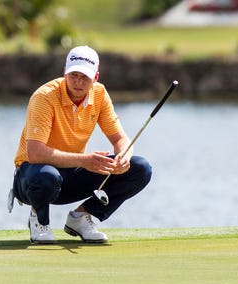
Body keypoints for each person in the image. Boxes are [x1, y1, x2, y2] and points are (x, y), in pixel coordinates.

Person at [10, 45, 152, 244]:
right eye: (73, 75)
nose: (78, 82)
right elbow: (34, 153)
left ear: (95, 78)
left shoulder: (99, 94)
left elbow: (120, 140)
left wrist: (122, 158)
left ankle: (81, 218)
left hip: (71, 174)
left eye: (84, 77)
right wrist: (85, 160)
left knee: (140, 168)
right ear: (65, 72)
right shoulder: (44, 97)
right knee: (46, 176)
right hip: (31, 178)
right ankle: (39, 220)